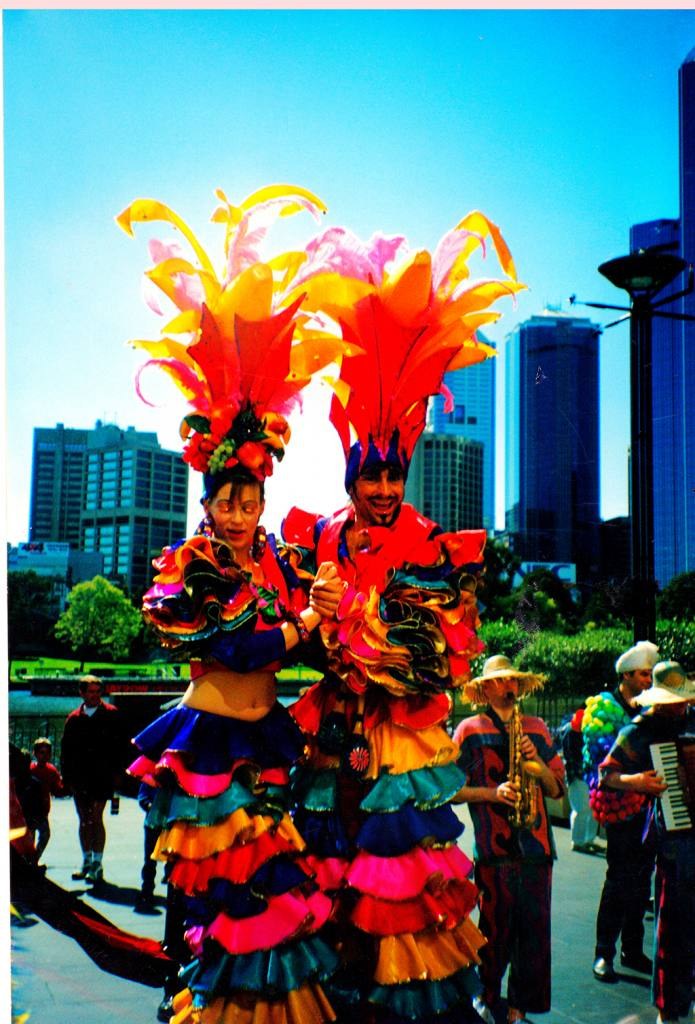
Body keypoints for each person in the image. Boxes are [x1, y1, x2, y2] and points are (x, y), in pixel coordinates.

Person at [281, 212, 520, 1022]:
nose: (382, 491)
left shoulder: (433, 545)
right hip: (332, 731)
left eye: (392, 478)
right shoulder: (316, 538)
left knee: (401, 886)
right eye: (368, 479)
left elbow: (449, 650)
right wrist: (316, 621)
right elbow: (294, 634)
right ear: (351, 479)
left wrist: (405, 634)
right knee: (327, 873)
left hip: (402, 740)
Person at [120, 185, 347, 1024]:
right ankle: (198, 1005)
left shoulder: (283, 562)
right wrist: (303, 621)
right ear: (210, 500)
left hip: (267, 732)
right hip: (210, 735)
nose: (242, 512)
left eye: (251, 500)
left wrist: (320, 609)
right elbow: (236, 646)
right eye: (229, 501)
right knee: (213, 896)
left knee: (272, 891)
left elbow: (294, 642)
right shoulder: (188, 564)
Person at [453, 655, 566, 1024]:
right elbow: (452, 790)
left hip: (536, 847)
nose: (508, 687)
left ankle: (518, 1008)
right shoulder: (469, 729)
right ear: (485, 689)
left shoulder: (536, 728)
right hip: (493, 848)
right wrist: (492, 793)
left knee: (534, 935)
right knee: (493, 930)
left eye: (513, 681)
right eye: (500, 681)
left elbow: (556, 789)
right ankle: (485, 996)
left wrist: (539, 765)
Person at [600, 661, 695, 1024]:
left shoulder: (693, 721)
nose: (680, 707)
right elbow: (606, 775)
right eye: (673, 702)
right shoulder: (639, 731)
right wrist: (637, 780)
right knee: (671, 925)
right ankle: (668, 1009)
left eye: (682, 701)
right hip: (673, 838)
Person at [584, 640, 659, 982]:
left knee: (643, 878)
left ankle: (632, 948)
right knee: (618, 879)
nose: (648, 680)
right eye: (644, 674)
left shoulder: (653, 706)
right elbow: (601, 765)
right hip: (620, 805)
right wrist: (633, 781)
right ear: (627, 674)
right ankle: (604, 953)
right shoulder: (605, 708)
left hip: (649, 805)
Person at [60, 675, 126, 885]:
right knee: (83, 819)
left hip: (102, 776)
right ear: (82, 693)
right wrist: (66, 778)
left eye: (98, 691)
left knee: (96, 817)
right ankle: (86, 860)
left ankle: (98, 863)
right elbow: (66, 751)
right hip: (80, 777)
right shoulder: (73, 718)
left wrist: (118, 775)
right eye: (91, 691)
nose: (95, 696)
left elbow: (120, 748)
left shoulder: (111, 715)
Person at [559, 709, 599, 853]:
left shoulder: (579, 731)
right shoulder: (570, 733)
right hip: (577, 775)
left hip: (587, 774)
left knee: (592, 808)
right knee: (581, 808)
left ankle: (588, 839)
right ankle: (578, 841)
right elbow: (572, 758)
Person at [29, 736, 65, 864]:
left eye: (47, 753)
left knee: (45, 835)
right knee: (30, 836)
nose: (45, 756)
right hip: (29, 809)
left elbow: (57, 790)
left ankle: (34, 859)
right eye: (41, 753)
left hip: (42, 810)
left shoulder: (51, 770)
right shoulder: (30, 769)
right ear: (35, 753)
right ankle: (30, 860)